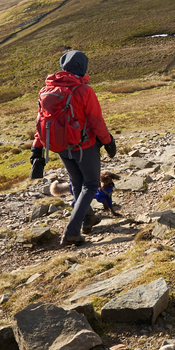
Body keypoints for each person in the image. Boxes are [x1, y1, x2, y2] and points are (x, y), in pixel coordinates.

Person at [29, 50, 117, 246]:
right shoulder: (84, 90)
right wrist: (108, 142)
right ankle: (72, 230)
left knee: (77, 182)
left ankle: (87, 219)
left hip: (59, 146)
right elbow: (96, 121)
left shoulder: (46, 90)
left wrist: (37, 147)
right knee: (91, 184)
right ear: (82, 67)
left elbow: (41, 122)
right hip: (84, 146)